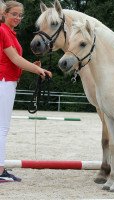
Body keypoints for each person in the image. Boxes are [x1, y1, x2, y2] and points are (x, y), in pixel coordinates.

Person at [0, 0, 52, 183]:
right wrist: (38, 70)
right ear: (5, 13)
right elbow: (14, 59)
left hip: (7, 81)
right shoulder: (3, 31)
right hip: (3, 81)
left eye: (20, 15)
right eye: (13, 14)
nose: (17, 18)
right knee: (2, 128)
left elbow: (16, 60)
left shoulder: (10, 33)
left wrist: (32, 66)